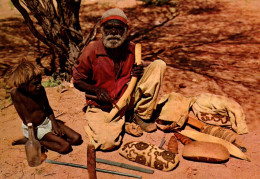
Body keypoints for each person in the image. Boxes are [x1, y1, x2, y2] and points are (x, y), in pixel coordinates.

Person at [73, 8, 166, 150]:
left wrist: (139, 71)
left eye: (118, 28)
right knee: (107, 144)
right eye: (109, 28)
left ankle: (139, 116)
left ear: (126, 30)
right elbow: (77, 81)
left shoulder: (132, 49)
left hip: (127, 100)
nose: (114, 33)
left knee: (159, 65)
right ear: (102, 30)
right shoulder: (91, 51)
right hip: (102, 106)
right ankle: (119, 123)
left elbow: (138, 77)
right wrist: (96, 90)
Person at [9, 60, 83, 154]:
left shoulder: (40, 90)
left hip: (47, 121)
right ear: (23, 84)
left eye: (40, 82)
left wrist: (55, 125)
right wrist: (34, 138)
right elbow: (28, 120)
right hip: (36, 128)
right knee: (66, 147)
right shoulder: (16, 94)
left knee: (77, 138)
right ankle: (38, 142)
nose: (39, 85)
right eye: (35, 84)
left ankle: (34, 140)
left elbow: (47, 108)